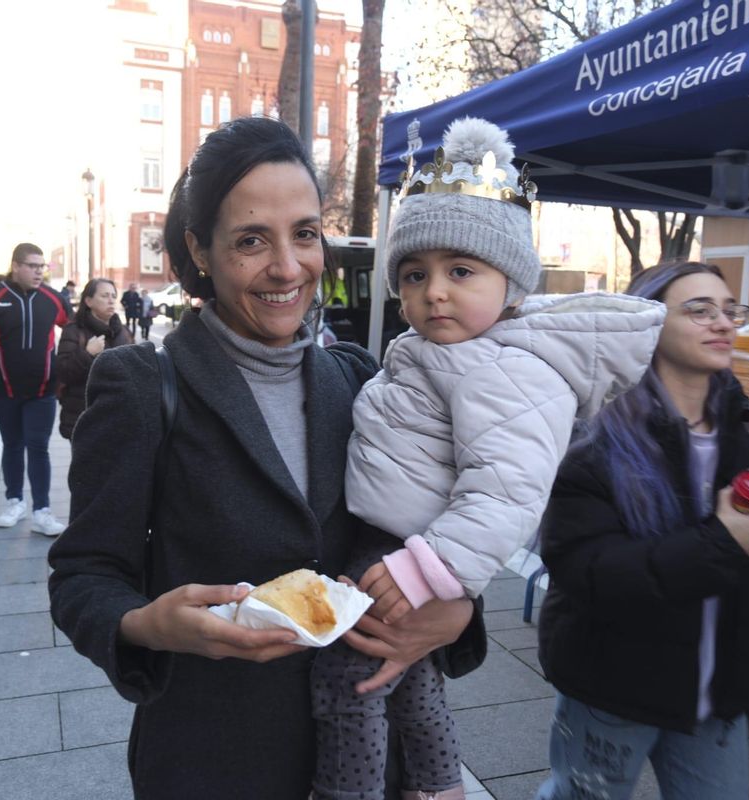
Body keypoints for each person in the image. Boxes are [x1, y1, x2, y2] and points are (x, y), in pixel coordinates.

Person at [48, 116, 486, 800]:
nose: (287, 268)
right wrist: (144, 624)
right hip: (216, 760)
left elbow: (422, 530)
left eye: (305, 234)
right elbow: (83, 576)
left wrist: (458, 617)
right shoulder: (141, 386)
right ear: (199, 250)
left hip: (370, 758)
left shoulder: (358, 377)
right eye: (252, 240)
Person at [310, 118, 666, 800]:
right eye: (414, 274)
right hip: (399, 539)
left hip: (407, 549)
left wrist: (428, 570)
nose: (433, 290)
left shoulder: (505, 367)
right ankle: (441, 783)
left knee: (348, 673)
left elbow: (508, 489)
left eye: (461, 271)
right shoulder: (456, 351)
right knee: (409, 682)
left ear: (513, 285)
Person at [533, 261, 749, 800]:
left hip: (719, 694)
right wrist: (724, 544)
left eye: (730, 310)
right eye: (699, 310)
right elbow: (590, 574)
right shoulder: (594, 442)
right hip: (613, 689)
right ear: (648, 323)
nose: (723, 323)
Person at [0, 243, 69, 537]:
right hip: (4, 391)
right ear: (16, 266)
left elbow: (74, 330)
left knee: (38, 447)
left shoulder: (53, 299)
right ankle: (14, 501)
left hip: (43, 391)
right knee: (12, 445)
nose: (39, 272)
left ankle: (42, 511)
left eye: (42, 266)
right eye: (33, 266)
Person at [55, 278, 132, 440]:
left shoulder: (123, 332)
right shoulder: (74, 330)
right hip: (82, 414)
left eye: (113, 295)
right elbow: (63, 372)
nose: (111, 300)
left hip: (118, 415)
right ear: (88, 301)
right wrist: (87, 354)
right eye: (104, 296)